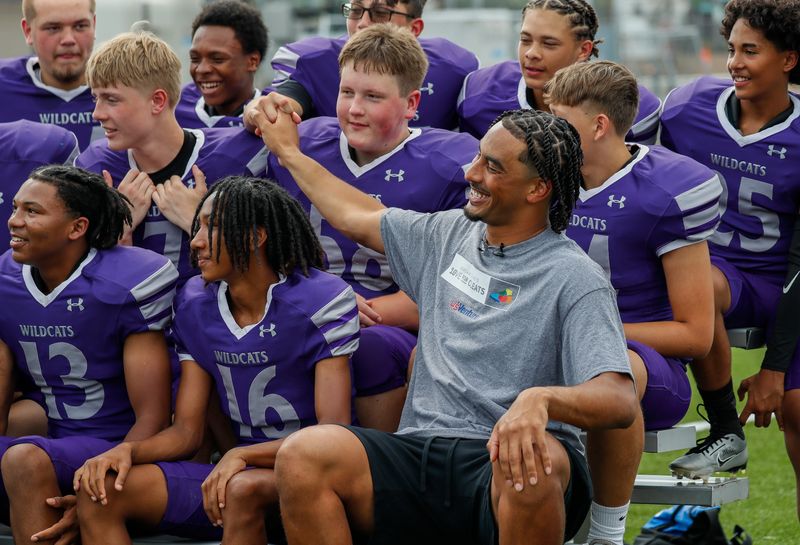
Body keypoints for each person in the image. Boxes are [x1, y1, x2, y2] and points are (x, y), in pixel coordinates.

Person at [253, 103, 638, 544]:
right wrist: (289, 152)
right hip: (420, 449)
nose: (470, 173)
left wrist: (541, 400)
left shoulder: (575, 277)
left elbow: (619, 397)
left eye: (491, 166)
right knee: (304, 454)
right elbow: (355, 216)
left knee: (531, 464)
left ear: (537, 189)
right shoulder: (448, 233)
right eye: (477, 157)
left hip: (505, 461)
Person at [74, 176, 359, 545]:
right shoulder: (195, 303)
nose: (195, 241)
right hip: (232, 471)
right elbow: (188, 432)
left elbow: (332, 430)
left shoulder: (322, 298)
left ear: (256, 237)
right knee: (101, 492)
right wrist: (126, 451)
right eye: (199, 227)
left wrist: (243, 454)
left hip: (311, 476)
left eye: (211, 228)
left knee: (242, 489)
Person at [265, 24, 476, 431]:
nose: (355, 108)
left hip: (384, 322)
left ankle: (379, 469)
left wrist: (338, 314)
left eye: (373, 97)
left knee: (369, 349)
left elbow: (452, 290)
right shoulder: (301, 141)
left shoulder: (450, 163)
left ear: (412, 103)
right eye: (347, 93)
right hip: (302, 306)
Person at [547, 60, 720, 545]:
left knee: (610, 366)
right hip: (553, 350)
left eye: (560, 121)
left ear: (599, 125)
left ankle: (606, 534)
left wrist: (592, 333)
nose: (547, 133)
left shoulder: (666, 190)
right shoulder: (544, 176)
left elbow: (695, 333)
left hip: (650, 368)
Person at [659, 0, 800, 483]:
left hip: (785, 281)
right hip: (719, 278)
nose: (734, 62)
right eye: (731, 49)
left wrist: (774, 371)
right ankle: (725, 429)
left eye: (751, 51)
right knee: (698, 276)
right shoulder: (689, 107)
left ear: (788, 59)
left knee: (799, 412)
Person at [0, 165, 176, 545]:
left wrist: (103, 485)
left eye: (32, 211)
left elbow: (153, 417)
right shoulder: (6, 281)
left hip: (113, 444)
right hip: (54, 440)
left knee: (24, 458)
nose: (14, 221)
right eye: (15, 208)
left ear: (77, 228)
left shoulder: (123, 282)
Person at [75, 31, 268, 285]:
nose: (97, 113)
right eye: (95, 98)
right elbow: (77, 285)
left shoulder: (237, 157)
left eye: (111, 99)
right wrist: (117, 235)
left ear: (157, 101)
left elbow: (269, 272)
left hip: (212, 322)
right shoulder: (95, 168)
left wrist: (200, 223)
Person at [252, 0, 478, 130]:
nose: (362, 23)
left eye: (380, 13)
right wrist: (262, 110)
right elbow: (275, 106)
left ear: (414, 28)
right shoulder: (314, 60)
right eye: (356, 10)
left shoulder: (453, 67)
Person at [457, 0, 661, 143]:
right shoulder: (480, 93)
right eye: (525, 40)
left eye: (549, 43)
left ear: (583, 50)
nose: (531, 53)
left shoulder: (632, 105)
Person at [0, 0, 100, 149]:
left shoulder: (129, 85)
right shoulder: (4, 86)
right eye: (53, 28)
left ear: (94, 24)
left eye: (80, 26)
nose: (68, 40)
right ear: (28, 31)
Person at [175, 0, 268, 129]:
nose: (201, 69)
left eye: (217, 59)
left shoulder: (271, 118)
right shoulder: (175, 107)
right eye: (195, 59)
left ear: (252, 61)